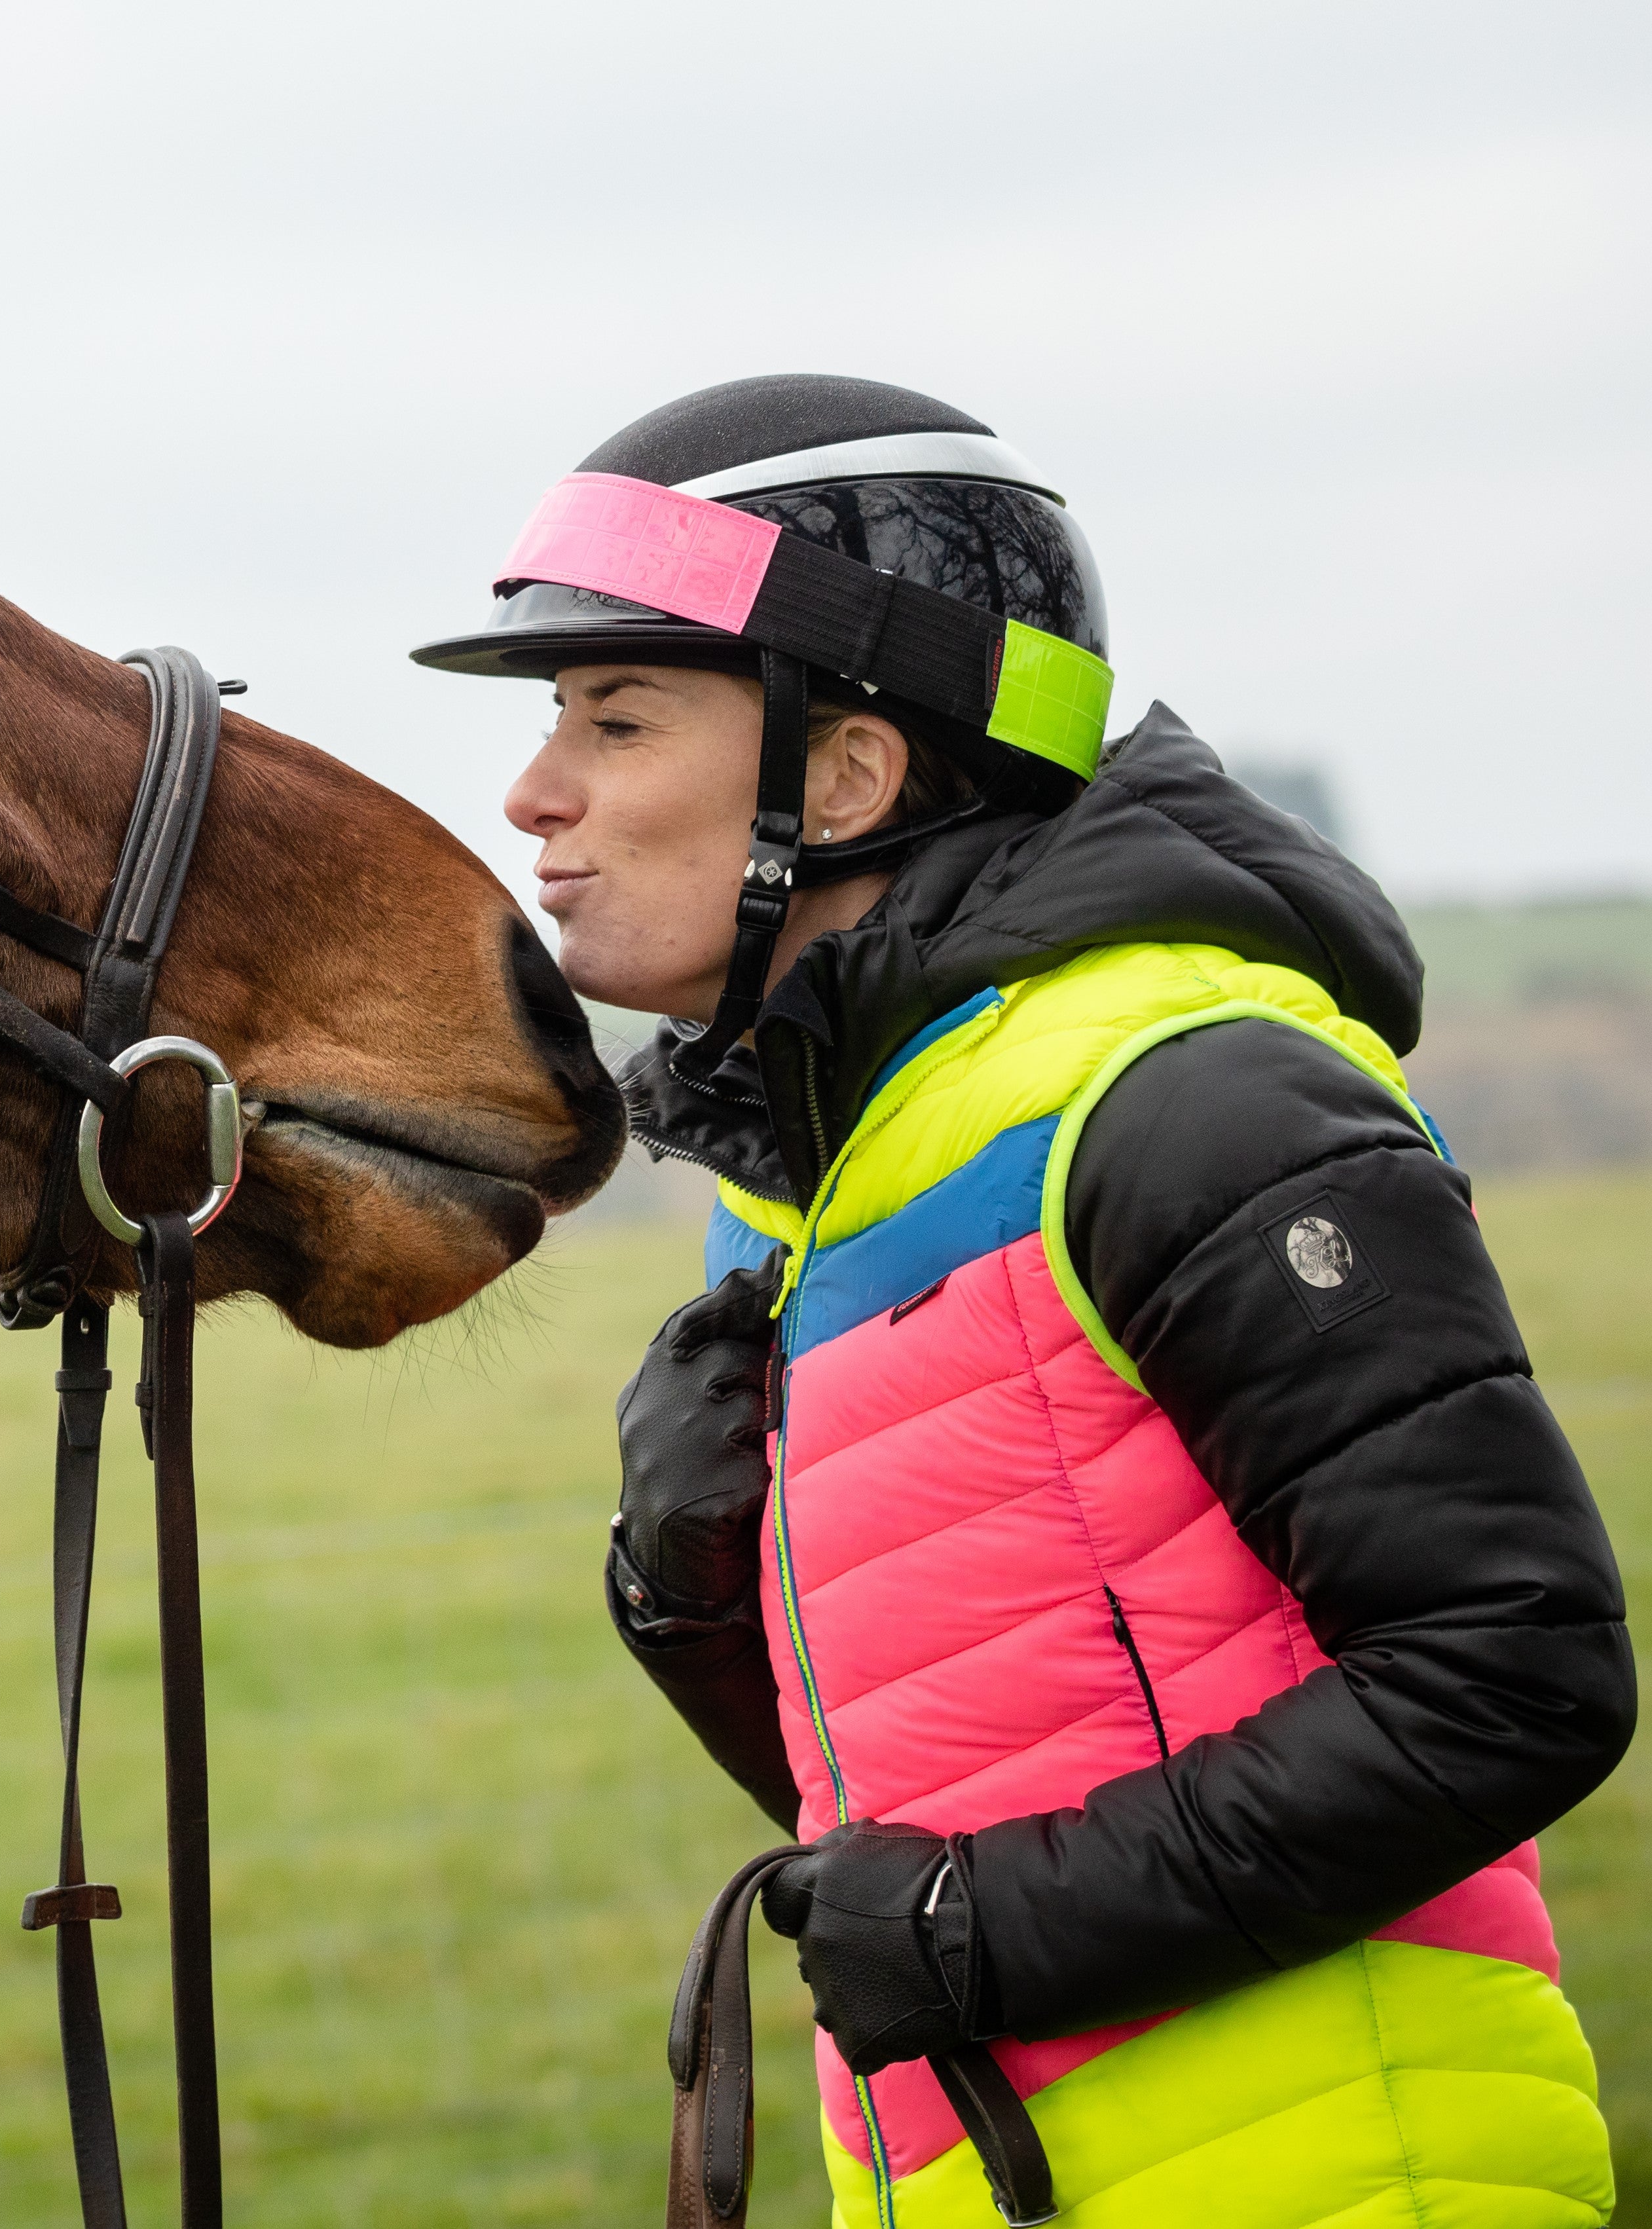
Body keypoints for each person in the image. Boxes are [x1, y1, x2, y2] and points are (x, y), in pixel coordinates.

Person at [413, 375, 1634, 2226]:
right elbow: (934, 1786)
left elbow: (1511, 1675)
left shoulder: (1187, 1090)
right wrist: (683, 1593)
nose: (535, 789)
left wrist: (976, 1928)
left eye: (616, 714)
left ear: (842, 775)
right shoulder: (816, 1188)